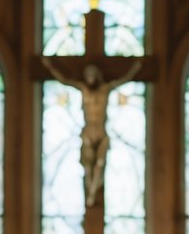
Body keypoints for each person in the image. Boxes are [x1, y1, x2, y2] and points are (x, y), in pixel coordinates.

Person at [42, 57, 140, 206]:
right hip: (88, 131)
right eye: (88, 74)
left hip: (101, 131)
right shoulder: (83, 89)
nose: (90, 77)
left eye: (93, 74)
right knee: (88, 166)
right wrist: (50, 67)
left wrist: (136, 68)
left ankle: (92, 194)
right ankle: (90, 194)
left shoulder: (105, 90)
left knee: (99, 163)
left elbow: (124, 80)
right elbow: (64, 81)